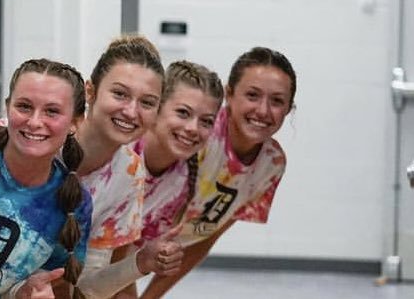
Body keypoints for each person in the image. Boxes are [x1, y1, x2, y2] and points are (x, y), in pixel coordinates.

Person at [141, 47, 295, 298]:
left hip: (143, 257)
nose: (263, 110)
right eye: (252, 95)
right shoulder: (193, 136)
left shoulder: (272, 164)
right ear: (230, 95)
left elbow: (204, 236)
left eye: (277, 100)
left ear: (289, 108)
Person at [78, 61, 222, 298]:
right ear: (156, 109)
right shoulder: (119, 153)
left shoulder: (181, 182)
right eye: (183, 113)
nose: (193, 128)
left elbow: (123, 263)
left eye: (206, 121)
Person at [0, 58, 93, 299]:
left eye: (52, 111)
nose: (34, 122)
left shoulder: (74, 203)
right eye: (24, 106)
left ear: (75, 123)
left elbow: (56, 282)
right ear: (7, 107)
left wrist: (23, 292)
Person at [70, 35, 163, 297]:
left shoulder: (129, 174)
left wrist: (140, 264)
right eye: (120, 94)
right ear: (90, 91)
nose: (131, 112)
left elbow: (88, 286)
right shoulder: (40, 132)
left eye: (147, 102)